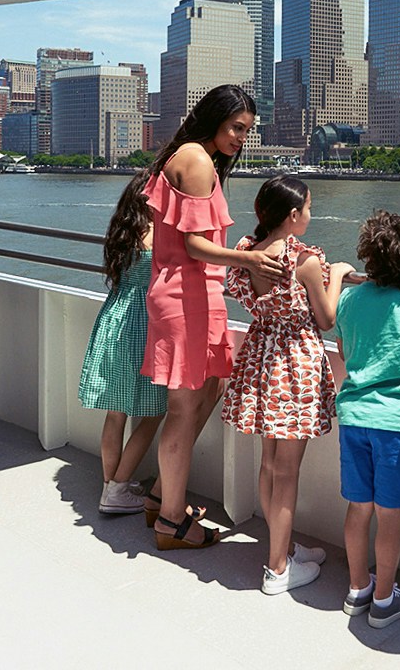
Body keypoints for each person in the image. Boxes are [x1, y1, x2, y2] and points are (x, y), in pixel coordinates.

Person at [143, 84, 282, 550]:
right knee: (183, 410)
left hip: (194, 295)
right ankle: (169, 522)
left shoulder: (186, 156)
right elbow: (195, 246)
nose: (242, 138)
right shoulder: (199, 161)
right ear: (215, 119)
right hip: (185, 298)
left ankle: (164, 496)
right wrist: (249, 260)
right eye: (236, 128)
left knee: (210, 390)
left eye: (247, 130)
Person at [221, 175, 353, 594]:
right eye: (309, 208)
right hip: (293, 364)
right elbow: (327, 317)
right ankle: (278, 568)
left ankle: (282, 546)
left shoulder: (247, 251)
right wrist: (339, 274)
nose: (310, 215)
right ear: (293, 215)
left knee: (269, 464)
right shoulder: (304, 259)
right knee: (288, 472)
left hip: (261, 357)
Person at [333, 210, 400, 629]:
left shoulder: (350, 298)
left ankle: (358, 589)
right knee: (390, 514)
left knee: (359, 507)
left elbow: (343, 351)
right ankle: (385, 598)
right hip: (395, 421)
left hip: (353, 414)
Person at [77, 167, 171, 516]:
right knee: (155, 411)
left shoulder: (122, 231)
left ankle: (110, 484)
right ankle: (116, 490)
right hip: (142, 323)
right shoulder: (158, 232)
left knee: (115, 413)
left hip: (114, 318)